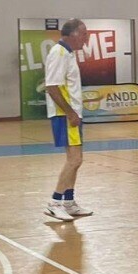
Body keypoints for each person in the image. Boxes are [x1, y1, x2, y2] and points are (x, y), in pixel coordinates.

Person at [43, 19, 93, 221]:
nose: (86, 38)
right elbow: (52, 86)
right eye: (84, 34)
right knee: (75, 159)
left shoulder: (69, 54)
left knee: (75, 160)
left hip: (72, 114)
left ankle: (69, 203)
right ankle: (55, 202)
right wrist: (70, 113)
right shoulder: (59, 53)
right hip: (64, 115)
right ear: (72, 34)